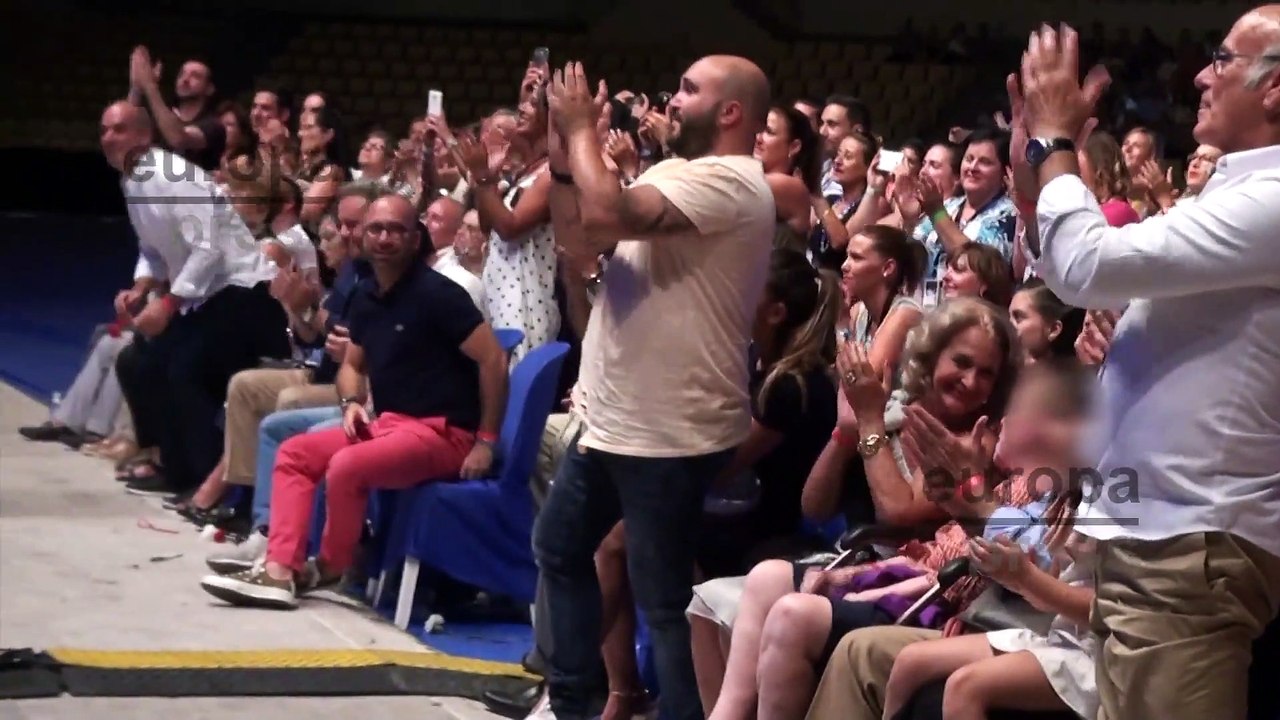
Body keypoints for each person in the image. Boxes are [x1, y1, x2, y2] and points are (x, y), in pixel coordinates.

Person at [1013, 15, 1280, 720]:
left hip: (1191, 543)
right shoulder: (1232, 187)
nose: (1200, 75)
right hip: (1162, 537)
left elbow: (1087, 266)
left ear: (1275, 86)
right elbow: (1077, 273)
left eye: (1221, 59)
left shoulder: (1274, 197)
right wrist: (1032, 173)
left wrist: (1057, 140)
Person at [535, 56, 774, 720]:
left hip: (671, 428)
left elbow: (607, 213)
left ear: (730, 113)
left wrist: (583, 128)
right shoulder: (678, 170)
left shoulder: (735, 182)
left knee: (662, 599)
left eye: (691, 88)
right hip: (616, 419)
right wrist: (563, 162)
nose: (675, 95)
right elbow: (579, 233)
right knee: (559, 548)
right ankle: (571, 705)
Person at [199, 194, 509, 608]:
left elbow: (493, 358)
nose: (384, 238)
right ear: (362, 236)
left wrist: (486, 440)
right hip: (389, 425)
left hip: (443, 433)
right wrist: (350, 402)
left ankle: (329, 567)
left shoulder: (440, 295)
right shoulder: (366, 295)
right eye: (376, 229)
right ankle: (279, 570)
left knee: (346, 465)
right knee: (294, 453)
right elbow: (352, 366)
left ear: (415, 240)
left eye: (396, 230)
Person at [102, 100, 290, 497]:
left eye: (118, 129)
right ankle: (166, 459)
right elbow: (151, 248)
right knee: (137, 362)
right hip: (205, 295)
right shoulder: (131, 180)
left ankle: (199, 475)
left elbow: (208, 249)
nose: (107, 138)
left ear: (143, 135)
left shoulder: (172, 176)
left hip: (245, 293)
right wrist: (141, 288)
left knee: (183, 366)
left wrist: (167, 305)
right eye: (104, 130)